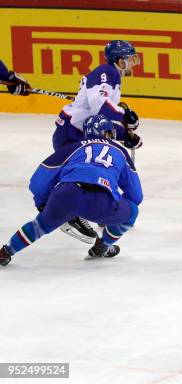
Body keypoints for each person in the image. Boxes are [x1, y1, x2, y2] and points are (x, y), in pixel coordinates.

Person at [0, 115, 143, 267]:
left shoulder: (74, 146)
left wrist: (43, 204)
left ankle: (5, 252)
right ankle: (103, 246)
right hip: (101, 201)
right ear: (109, 133)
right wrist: (114, 206)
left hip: (66, 194)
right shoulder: (120, 151)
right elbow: (136, 196)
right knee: (132, 212)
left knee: (40, 225)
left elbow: (39, 180)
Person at [53, 40, 143, 244]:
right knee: (79, 175)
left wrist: (124, 133)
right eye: (129, 58)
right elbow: (99, 107)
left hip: (77, 130)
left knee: (97, 171)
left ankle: (98, 211)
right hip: (72, 132)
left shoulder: (112, 75)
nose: (132, 62)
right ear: (119, 60)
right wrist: (123, 115)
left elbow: (99, 119)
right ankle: (66, 215)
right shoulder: (106, 72)